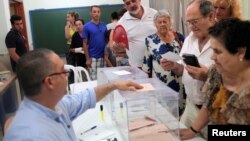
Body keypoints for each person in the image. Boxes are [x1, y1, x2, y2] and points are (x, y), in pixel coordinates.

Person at [3, 48, 143, 140]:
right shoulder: (34, 135)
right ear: (49, 82)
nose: (67, 75)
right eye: (63, 71)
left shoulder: (52, 104)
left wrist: (115, 85)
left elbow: (84, 98)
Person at [179, 18, 250, 140]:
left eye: (218, 52)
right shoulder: (216, 72)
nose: (213, 57)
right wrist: (193, 129)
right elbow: (209, 103)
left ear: (241, 52)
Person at [160, 0, 215, 138]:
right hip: (191, 106)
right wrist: (175, 66)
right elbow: (182, 70)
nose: (191, 27)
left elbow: (232, 79)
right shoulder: (190, 38)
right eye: (188, 22)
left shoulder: (225, 40)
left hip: (214, 112)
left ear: (210, 16)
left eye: (195, 21)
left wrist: (207, 75)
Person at [142, 10, 186, 114]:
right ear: (155, 24)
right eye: (159, 22)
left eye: (165, 21)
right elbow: (146, 65)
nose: (162, 24)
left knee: (181, 112)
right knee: (164, 114)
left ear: (170, 22)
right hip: (161, 85)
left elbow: (185, 55)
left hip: (180, 82)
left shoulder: (179, 36)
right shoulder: (150, 40)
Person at [113, 0, 157, 68]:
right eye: (128, 3)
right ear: (125, 6)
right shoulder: (121, 24)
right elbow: (116, 46)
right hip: (138, 67)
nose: (132, 5)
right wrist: (117, 47)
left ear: (139, 0)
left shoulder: (154, 14)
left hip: (158, 64)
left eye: (134, 1)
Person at [83, 5, 107, 80]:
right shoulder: (86, 26)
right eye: (94, 12)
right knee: (94, 80)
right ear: (90, 13)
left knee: (103, 79)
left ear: (100, 13)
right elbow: (84, 43)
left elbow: (106, 40)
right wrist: (87, 59)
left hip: (103, 57)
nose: (96, 14)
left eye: (98, 12)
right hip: (93, 57)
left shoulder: (104, 25)